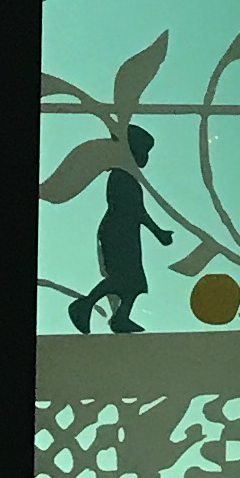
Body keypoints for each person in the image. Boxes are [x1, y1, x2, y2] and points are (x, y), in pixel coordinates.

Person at [68, 121, 171, 335]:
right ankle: (85, 305)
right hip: (117, 233)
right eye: (143, 151)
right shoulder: (121, 176)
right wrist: (158, 232)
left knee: (134, 280)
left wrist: (158, 232)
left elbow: (138, 211)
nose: (145, 157)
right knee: (122, 278)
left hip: (127, 233)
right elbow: (136, 211)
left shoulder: (128, 176)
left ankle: (121, 317)